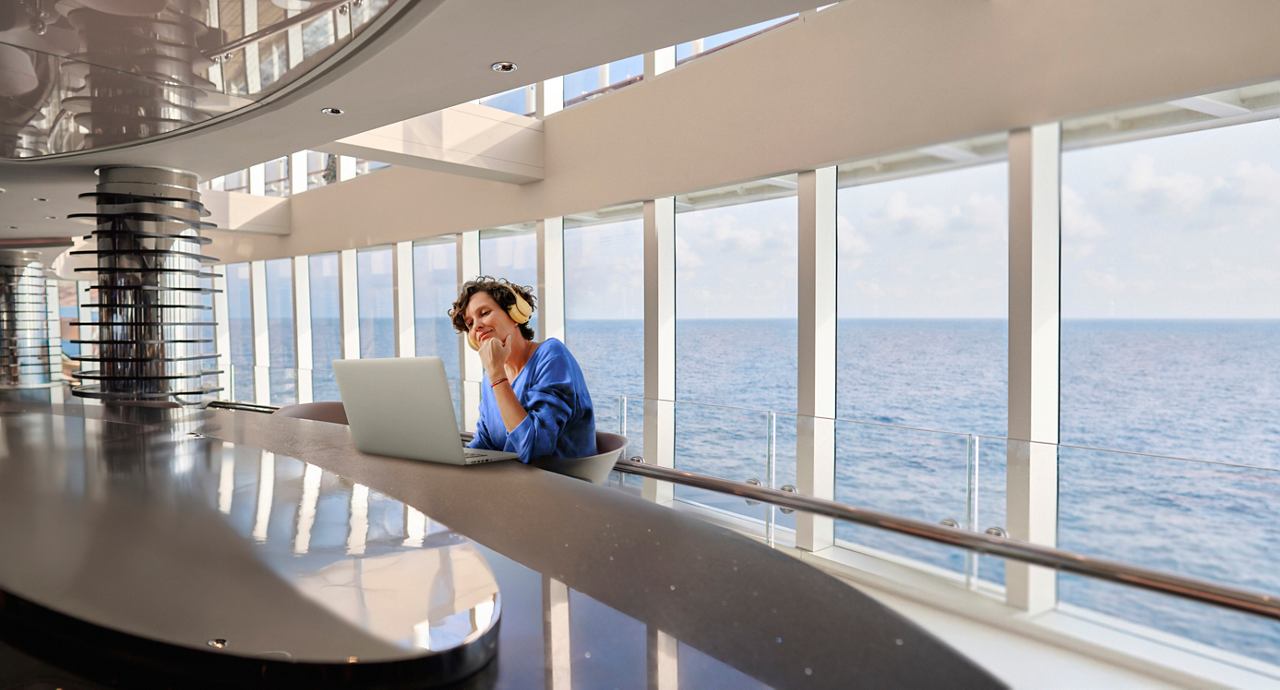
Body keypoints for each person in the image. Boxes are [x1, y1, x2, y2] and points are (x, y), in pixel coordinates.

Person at [449, 276, 596, 464]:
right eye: (470, 324)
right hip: (513, 482)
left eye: (484, 313)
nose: (476, 326)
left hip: (559, 485)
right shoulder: (491, 379)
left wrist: (497, 376)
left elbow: (534, 449)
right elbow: (485, 443)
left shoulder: (551, 356)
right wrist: (454, 460)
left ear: (515, 315)